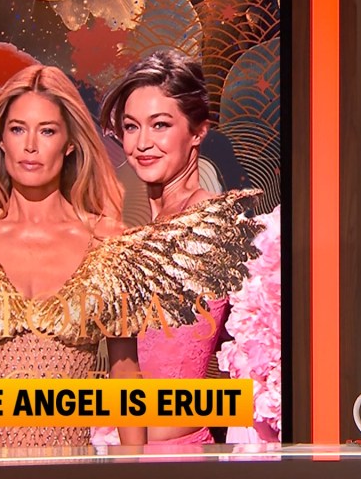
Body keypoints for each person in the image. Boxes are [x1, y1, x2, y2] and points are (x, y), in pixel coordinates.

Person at [0, 64, 263, 449]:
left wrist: (132, 464)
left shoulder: (107, 240)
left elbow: (125, 375)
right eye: (18, 129)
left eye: (47, 131)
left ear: (70, 144)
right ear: (0, 141)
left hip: (68, 461)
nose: (31, 147)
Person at [97, 50, 228, 446]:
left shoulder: (210, 220)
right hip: (120, 447)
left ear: (198, 131)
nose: (142, 143)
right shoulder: (139, 232)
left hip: (178, 455)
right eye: (131, 126)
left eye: (160, 125)